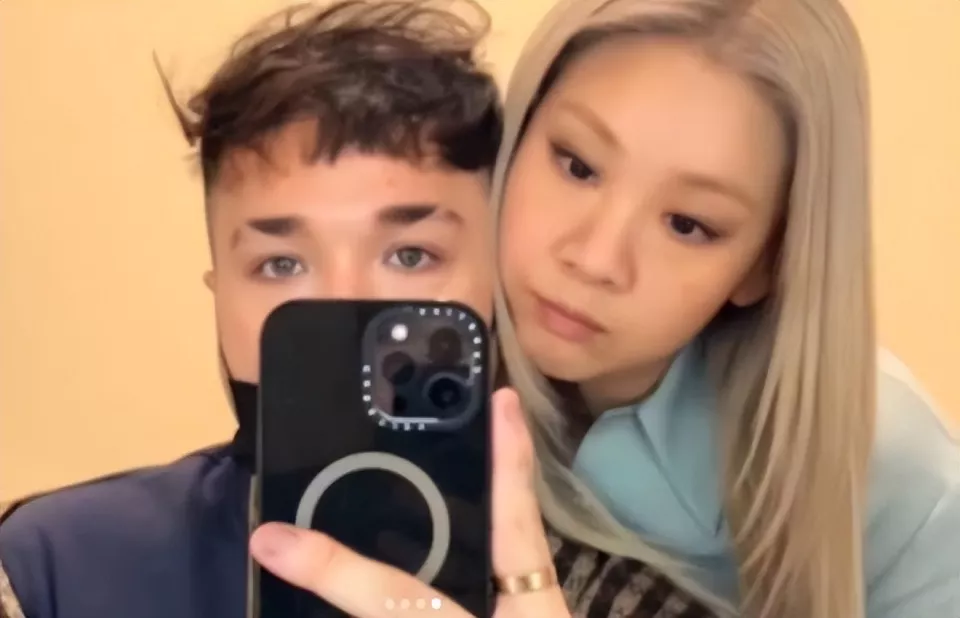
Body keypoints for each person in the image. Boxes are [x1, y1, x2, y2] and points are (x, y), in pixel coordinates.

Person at [241, 0, 960, 617]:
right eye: (577, 165)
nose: (595, 258)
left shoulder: (891, 468)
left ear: (768, 263)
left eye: (688, 224)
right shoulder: (399, 352)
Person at [0, 2, 719, 618]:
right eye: (281, 265)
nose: (348, 311)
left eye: (410, 255)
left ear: (495, 281)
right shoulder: (51, 567)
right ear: (222, 298)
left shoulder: (633, 602)